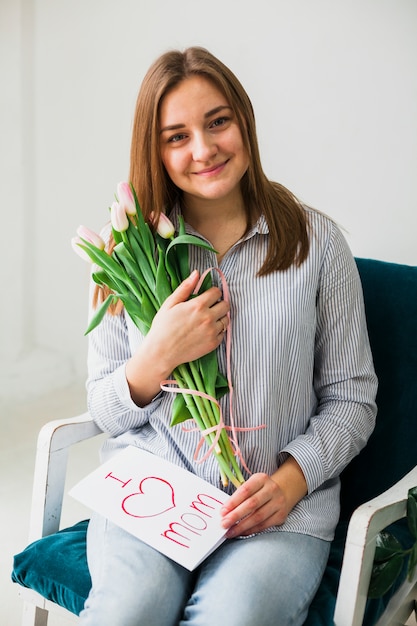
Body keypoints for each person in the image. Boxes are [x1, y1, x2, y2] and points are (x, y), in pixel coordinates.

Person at [80, 46, 377, 626]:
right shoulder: (125, 255)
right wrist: (155, 359)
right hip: (155, 495)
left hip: (278, 513)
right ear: (155, 151)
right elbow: (103, 407)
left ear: (244, 120)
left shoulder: (318, 246)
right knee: (126, 614)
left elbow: (353, 400)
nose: (204, 149)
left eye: (218, 121)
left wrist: (291, 484)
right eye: (176, 136)